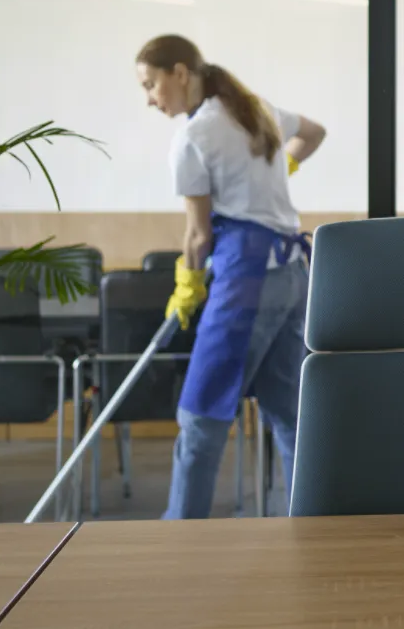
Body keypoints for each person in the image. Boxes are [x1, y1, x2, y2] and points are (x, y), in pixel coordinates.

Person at [134, 34, 326, 519]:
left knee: (201, 413)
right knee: (288, 412)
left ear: (181, 73)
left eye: (151, 84)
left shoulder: (194, 138)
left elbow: (198, 237)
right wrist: (281, 168)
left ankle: (182, 532)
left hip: (246, 281)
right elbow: (316, 131)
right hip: (294, 274)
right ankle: (306, 524)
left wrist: (188, 285)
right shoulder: (254, 108)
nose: (150, 99)